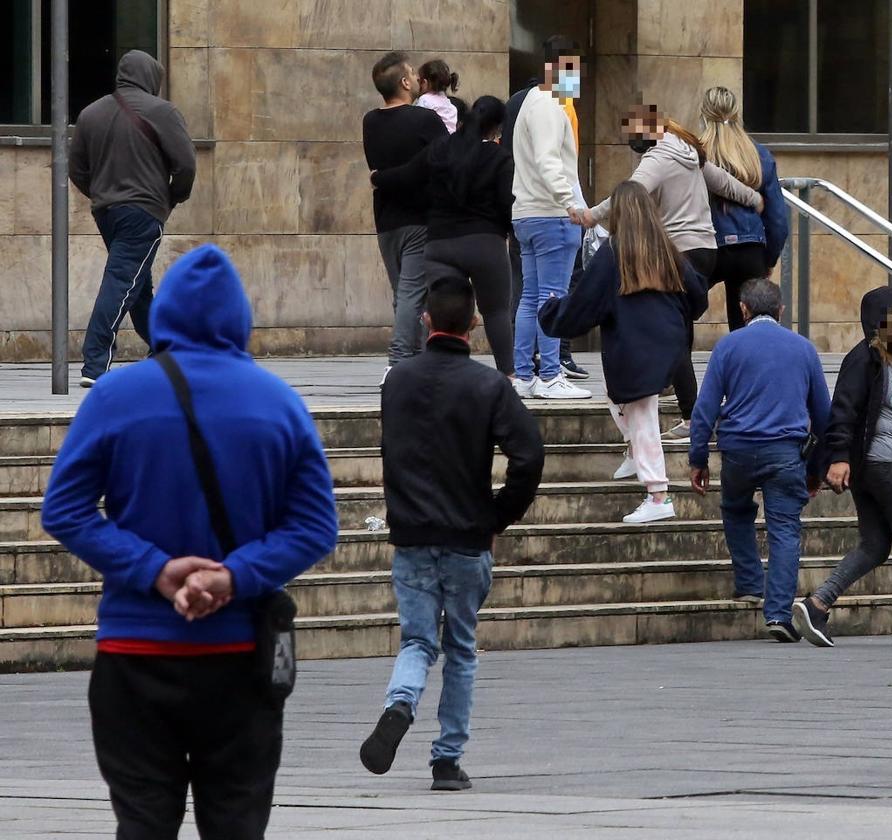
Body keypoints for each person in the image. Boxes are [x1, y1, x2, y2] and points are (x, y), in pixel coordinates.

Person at [40, 244, 340, 839]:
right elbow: (315, 526)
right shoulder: (279, 403)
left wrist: (154, 569)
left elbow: (64, 509)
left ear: (166, 314)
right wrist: (233, 577)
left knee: (144, 822)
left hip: (134, 651)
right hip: (237, 661)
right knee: (235, 823)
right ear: (239, 318)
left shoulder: (114, 398)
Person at [360, 275, 544, 790]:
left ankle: (399, 704)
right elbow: (529, 455)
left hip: (413, 535)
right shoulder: (488, 386)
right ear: (475, 325)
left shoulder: (396, 381)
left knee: (417, 642)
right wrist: (496, 516)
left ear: (425, 321)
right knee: (460, 647)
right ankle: (446, 759)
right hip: (466, 536)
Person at [585, 102, 764, 441]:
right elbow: (723, 183)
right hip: (707, 250)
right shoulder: (689, 150)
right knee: (677, 328)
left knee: (674, 334)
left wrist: (589, 215)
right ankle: (678, 394)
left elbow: (628, 195)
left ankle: (692, 415)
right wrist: (753, 199)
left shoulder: (658, 158)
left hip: (680, 252)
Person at [794, 287, 892, 649]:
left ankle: (817, 605)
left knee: (875, 544)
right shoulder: (864, 359)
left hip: (887, 461)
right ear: (883, 322)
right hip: (886, 461)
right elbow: (843, 410)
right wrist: (838, 457)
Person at [541, 181, 707, 523]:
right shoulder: (668, 251)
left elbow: (585, 303)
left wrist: (551, 312)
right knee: (619, 401)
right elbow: (698, 296)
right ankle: (635, 452)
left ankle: (658, 495)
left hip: (634, 349)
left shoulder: (614, 253)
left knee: (642, 415)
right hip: (669, 344)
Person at [688, 279, 830, 641]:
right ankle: (779, 614)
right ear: (781, 312)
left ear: (743, 309)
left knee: (736, 509)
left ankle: (750, 581)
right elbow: (824, 417)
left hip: (737, 449)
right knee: (785, 529)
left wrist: (698, 458)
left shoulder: (728, 346)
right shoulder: (804, 349)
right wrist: (816, 470)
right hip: (786, 452)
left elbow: (704, 409)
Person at [69, 49, 196, 389]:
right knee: (122, 281)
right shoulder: (163, 112)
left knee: (137, 285)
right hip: (144, 211)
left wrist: (101, 195)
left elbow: (77, 169)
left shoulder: (90, 113)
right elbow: (186, 164)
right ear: (152, 77)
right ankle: (95, 362)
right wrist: (172, 197)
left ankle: (164, 350)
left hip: (107, 212)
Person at [371, 96, 517, 377]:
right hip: (485, 244)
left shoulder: (440, 149)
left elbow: (408, 175)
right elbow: (504, 203)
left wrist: (378, 178)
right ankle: (508, 377)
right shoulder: (499, 157)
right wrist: (506, 231)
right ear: (496, 128)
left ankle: (436, 373)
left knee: (441, 314)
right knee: (496, 312)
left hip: (440, 244)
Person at [502, 36, 590, 381]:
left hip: (528, 212)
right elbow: (548, 161)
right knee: (553, 298)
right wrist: (570, 203)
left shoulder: (530, 102)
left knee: (530, 298)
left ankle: (524, 374)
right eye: (577, 71)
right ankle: (551, 374)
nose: (579, 79)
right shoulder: (551, 104)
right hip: (551, 215)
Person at [363, 51, 449, 379]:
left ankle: (416, 360)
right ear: (403, 82)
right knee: (413, 293)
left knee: (404, 294)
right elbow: (445, 158)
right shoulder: (424, 120)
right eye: (412, 74)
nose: (416, 79)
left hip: (386, 219)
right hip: (420, 218)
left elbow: (379, 170)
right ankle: (399, 362)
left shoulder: (370, 122)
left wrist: (382, 179)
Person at [699, 87, 790, 330]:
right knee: (747, 322)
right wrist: (768, 258)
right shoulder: (757, 154)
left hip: (708, 247)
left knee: (679, 305)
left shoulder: (695, 152)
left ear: (704, 115)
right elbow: (778, 220)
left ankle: (678, 363)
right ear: (737, 113)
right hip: (750, 248)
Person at [416, 58, 461, 133]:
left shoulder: (425, 100)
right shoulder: (451, 107)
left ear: (424, 83)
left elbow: (416, 121)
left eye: (419, 81)